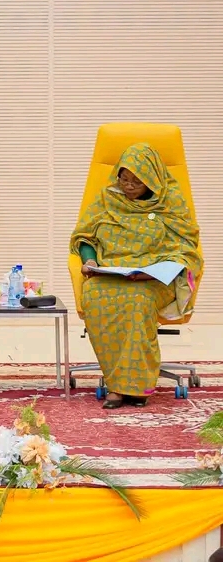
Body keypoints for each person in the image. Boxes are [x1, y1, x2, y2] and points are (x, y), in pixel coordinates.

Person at [71, 142, 201, 409]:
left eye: (137, 182)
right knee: (94, 294)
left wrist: (149, 274)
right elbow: (85, 236)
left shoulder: (171, 203)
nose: (128, 186)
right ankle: (117, 384)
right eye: (124, 179)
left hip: (154, 278)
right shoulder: (107, 198)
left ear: (152, 180)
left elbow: (185, 249)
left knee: (137, 300)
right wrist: (90, 261)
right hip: (111, 272)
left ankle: (136, 386)